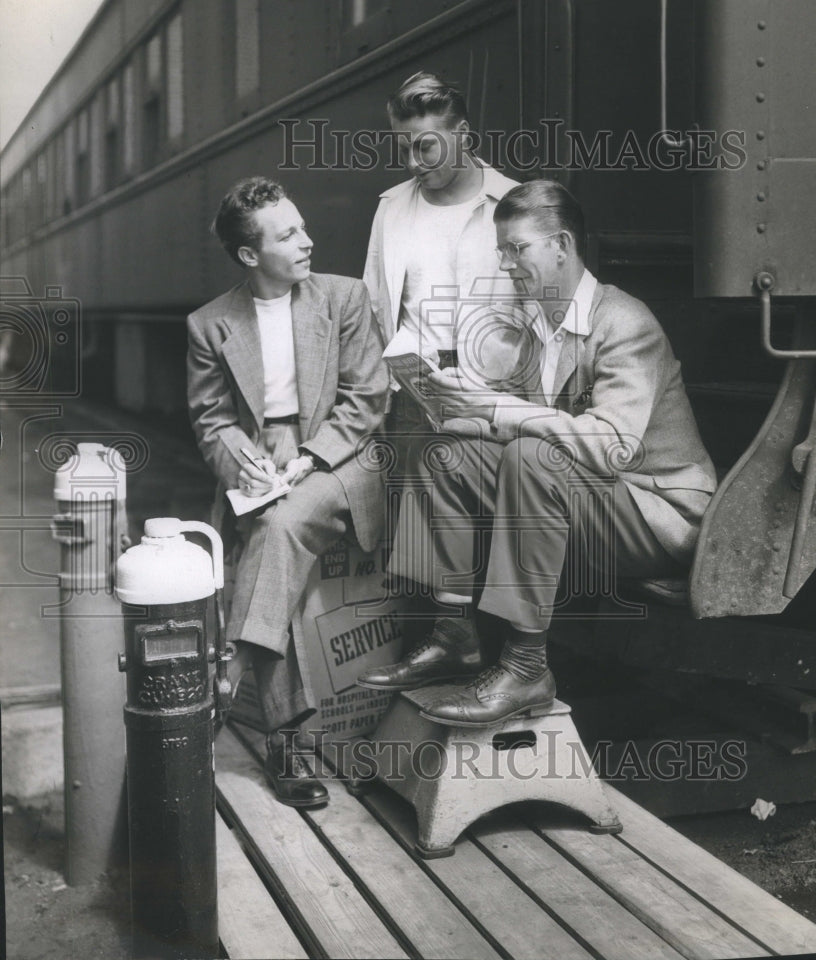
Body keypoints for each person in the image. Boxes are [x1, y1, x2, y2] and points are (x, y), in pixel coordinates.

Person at [358, 179, 717, 725]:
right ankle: (454, 632)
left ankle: (527, 667)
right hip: (595, 502)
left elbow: (610, 444)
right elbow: (530, 430)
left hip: (657, 515)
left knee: (532, 459)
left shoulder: (624, 322)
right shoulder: (539, 328)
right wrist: (461, 413)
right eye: (501, 250)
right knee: (448, 452)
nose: (505, 264)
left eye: (516, 249)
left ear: (562, 246)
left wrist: (498, 410)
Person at [187, 177, 388, 805]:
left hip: (342, 459)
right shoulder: (210, 323)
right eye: (288, 234)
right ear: (251, 256)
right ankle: (286, 743)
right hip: (265, 467)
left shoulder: (344, 298)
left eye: (301, 226)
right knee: (272, 543)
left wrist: (306, 457)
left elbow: (366, 399)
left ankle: (226, 669)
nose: (308, 241)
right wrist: (243, 464)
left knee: (273, 532)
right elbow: (211, 421)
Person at [363, 71, 518, 438]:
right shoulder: (391, 208)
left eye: (425, 146)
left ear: (463, 134)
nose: (413, 163)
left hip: (497, 396)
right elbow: (372, 307)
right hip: (412, 399)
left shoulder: (515, 203)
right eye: (403, 149)